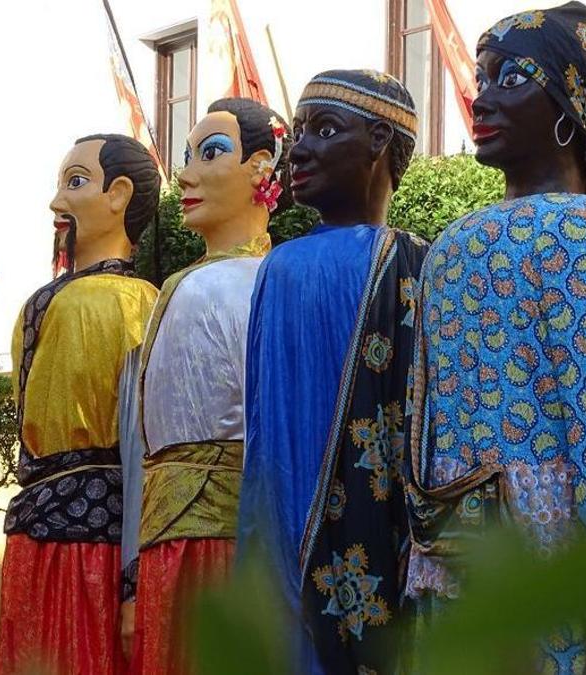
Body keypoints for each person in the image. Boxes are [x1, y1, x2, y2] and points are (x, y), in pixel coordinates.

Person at [403, 3, 586, 670]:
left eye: (511, 78)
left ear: (574, 101)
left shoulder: (451, 246)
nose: (484, 96)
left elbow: (421, 430)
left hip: (457, 565)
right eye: (484, 77)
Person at [235, 69, 426, 674]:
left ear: (377, 140)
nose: (300, 149)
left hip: (376, 536)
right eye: (299, 133)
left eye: (324, 129)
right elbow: (264, 429)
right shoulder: (281, 267)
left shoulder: (414, 261)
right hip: (291, 530)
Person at [120, 97, 289, 675]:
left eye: (211, 153)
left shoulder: (269, 282)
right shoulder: (182, 285)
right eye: (187, 156)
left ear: (261, 167)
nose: (187, 174)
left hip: (230, 533)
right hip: (165, 531)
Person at [0, 133, 161, 675]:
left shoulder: (136, 303)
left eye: (76, 183)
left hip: (93, 544)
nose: (57, 203)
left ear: (118, 194)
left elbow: (143, 446)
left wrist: (133, 580)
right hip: (43, 532)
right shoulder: (47, 302)